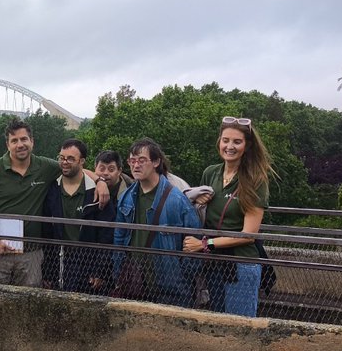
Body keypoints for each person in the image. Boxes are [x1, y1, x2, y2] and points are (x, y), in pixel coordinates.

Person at [0, 119, 109, 287]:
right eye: (14, 140)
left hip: (32, 254)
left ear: (32, 141)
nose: (20, 144)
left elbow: (74, 167)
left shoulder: (44, 166)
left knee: (30, 300)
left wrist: (100, 181)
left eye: (24, 139)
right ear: (8, 145)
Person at [183, 117, 275, 317]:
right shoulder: (211, 173)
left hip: (240, 263)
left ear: (247, 146)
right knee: (217, 320)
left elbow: (248, 235)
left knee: (239, 324)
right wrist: (197, 201)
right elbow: (201, 214)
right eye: (225, 140)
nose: (230, 146)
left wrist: (204, 244)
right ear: (219, 142)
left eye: (237, 142)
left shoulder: (255, 179)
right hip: (214, 263)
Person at [113, 138, 202, 306]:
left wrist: (182, 276)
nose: (136, 165)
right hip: (135, 282)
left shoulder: (177, 200)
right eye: (132, 161)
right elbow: (119, 237)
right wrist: (119, 272)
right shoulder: (126, 197)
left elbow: (194, 241)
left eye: (141, 160)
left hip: (171, 286)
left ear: (156, 162)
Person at [42, 139, 115, 292]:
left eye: (70, 158)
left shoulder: (97, 192)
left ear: (82, 161)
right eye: (62, 158)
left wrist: (100, 270)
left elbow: (106, 235)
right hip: (60, 260)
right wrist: (47, 271)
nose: (65, 162)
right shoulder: (52, 189)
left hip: (88, 261)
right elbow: (47, 232)